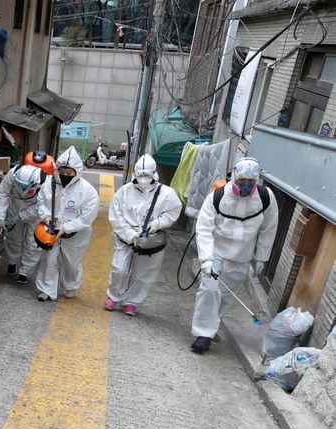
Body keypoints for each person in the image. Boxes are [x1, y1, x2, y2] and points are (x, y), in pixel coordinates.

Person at [190, 157, 278, 353]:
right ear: (234, 177)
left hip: (242, 256)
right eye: (241, 182)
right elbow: (204, 227)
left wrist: (262, 257)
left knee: (225, 296)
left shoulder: (265, 197)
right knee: (210, 289)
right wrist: (206, 259)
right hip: (217, 252)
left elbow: (269, 228)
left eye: (251, 182)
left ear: (257, 181)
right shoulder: (218, 196)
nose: (246, 186)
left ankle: (212, 324)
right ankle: (203, 334)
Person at [106, 154, 182, 316]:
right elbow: (115, 216)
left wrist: (157, 224)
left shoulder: (167, 194)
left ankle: (132, 301)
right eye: (140, 175)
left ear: (154, 174)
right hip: (125, 237)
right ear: (135, 174)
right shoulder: (124, 191)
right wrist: (130, 235)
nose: (143, 178)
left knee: (144, 273)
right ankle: (114, 294)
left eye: (146, 175)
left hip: (150, 239)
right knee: (119, 269)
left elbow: (173, 212)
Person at [35, 146, 99, 302]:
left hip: (77, 233)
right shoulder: (50, 184)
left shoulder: (87, 191)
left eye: (69, 173)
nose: (65, 176)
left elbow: (87, 217)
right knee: (49, 259)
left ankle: (70, 285)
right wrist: (46, 217)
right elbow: (41, 202)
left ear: (77, 172)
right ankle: (47, 290)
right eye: (62, 172)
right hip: (52, 229)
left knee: (72, 262)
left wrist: (67, 227)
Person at [0, 163, 54, 284]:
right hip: (15, 205)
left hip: (35, 213)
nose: (22, 190)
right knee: (12, 237)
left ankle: (25, 272)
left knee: (32, 242)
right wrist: (1, 217)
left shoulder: (46, 182)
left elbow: (42, 206)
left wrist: (20, 216)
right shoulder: (13, 173)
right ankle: (12, 262)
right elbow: (3, 193)